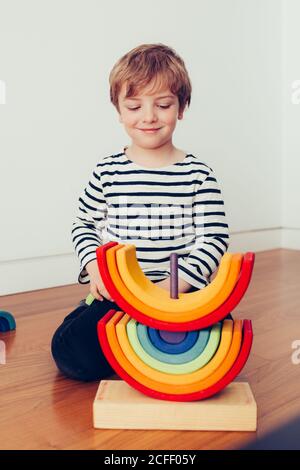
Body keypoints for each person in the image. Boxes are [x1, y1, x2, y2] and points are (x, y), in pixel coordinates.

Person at [51, 43, 230, 381]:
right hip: (122, 294)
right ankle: (139, 350)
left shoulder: (198, 174)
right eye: (134, 106)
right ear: (119, 110)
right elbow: (84, 224)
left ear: (181, 108)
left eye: (163, 105)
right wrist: (95, 268)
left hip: (179, 293)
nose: (148, 117)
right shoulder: (108, 171)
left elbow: (214, 238)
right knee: (71, 353)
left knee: (221, 343)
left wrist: (174, 286)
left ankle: (143, 351)